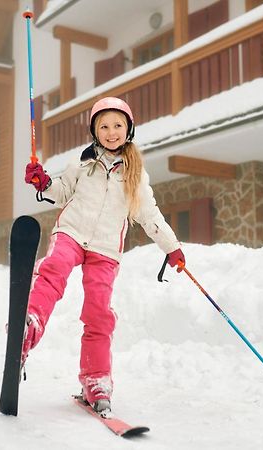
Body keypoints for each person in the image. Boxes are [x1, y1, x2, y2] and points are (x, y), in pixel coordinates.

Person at [24, 96, 185, 414]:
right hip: (71, 234)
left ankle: (96, 379)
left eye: (117, 125)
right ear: (94, 131)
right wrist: (43, 182)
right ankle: (29, 325)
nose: (111, 132)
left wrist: (172, 247)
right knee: (54, 267)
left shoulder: (135, 176)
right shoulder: (81, 165)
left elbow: (150, 216)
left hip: (105, 250)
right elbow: (61, 192)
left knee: (98, 312)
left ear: (129, 130)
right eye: (104, 126)